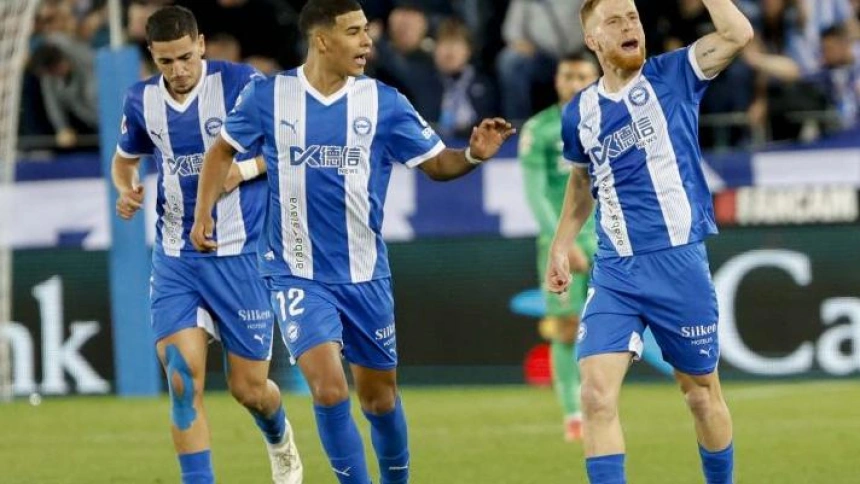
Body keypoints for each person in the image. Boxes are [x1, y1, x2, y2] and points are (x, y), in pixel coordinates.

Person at [190, 1, 514, 483]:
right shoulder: (270, 97)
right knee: (327, 390)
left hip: (365, 274)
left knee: (379, 400)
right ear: (322, 40)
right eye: (354, 32)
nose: (367, 42)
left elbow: (437, 164)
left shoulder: (384, 102)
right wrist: (203, 217)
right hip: (295, 270)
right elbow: (221, 152)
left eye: (367, 31)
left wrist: (471, 154)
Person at [545, 0, 753, 483]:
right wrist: (561, 243)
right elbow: (582, 181)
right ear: (593, 40)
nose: (628, 25)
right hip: (615, 269)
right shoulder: (580, 112)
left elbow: (738, 33)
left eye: (634, 17)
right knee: (595, 396)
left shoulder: (674, 74)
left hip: (677, 262)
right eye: (613, 21)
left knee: (701, 394)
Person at [110, 6, 302, 484]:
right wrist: (126, 187)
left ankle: (279, 438)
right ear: (152, 57)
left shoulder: (242, 84)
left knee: (249, 389)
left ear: (200, 44)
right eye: (165, 62)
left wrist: (244, 170)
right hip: (177, 258)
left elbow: (287, 146)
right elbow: (123, 160)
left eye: (183, 57)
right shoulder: (141, 102)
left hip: (240, 257)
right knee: (180, 377)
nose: (177, 71)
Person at [518, 51, 600, 443]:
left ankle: (602, 403)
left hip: (609, 238)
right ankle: (573, 414)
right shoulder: (540, 129)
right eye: (567, 75)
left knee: (612, 324)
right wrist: (562, 244)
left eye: (582, 75)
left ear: (596, 77)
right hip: (559, 240)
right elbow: (536, 195)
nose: (574, 82)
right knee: (567, 328)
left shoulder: (613, 121)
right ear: (557, 80)